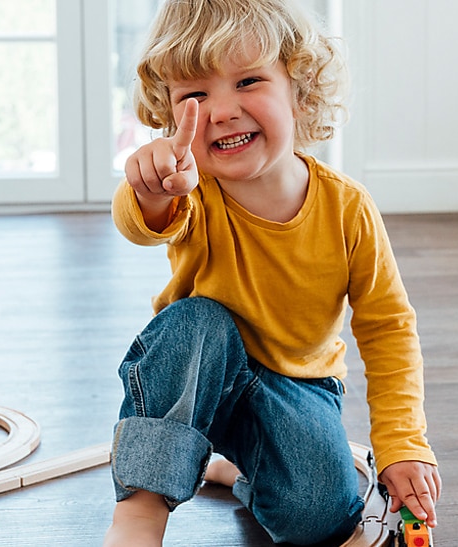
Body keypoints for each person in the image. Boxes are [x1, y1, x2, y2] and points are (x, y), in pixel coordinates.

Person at [105, 0, 439, 545]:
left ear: (299, 89)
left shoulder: (348, 208)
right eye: (194, 93)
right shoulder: (191, 192)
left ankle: (236, 468)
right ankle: (140, 511)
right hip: (199, 371)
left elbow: (388, 329)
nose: (222, 110)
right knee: (196, 321)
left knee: (318, 520)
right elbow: (144, 224)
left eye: (248, 81)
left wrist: (403, 441)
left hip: (299, 387)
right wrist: (147, 189)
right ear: (169, 112)